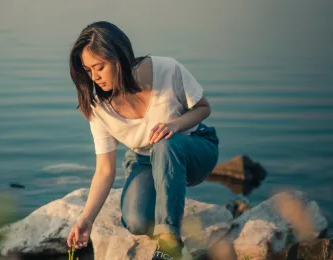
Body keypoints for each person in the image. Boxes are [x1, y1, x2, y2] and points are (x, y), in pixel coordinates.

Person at [66, 21, 219, 259]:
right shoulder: (99, 108)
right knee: (136, 222)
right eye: (88, 70)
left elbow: (203, 108)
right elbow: (105, 171)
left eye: (100, 67)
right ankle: (166, 205)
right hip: (145, 159)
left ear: (119, 57)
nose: (95, 77)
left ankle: (170, 244)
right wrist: (86, 220)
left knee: (165, 144)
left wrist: (174, 125)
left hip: (194, 148)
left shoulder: (168, 70)